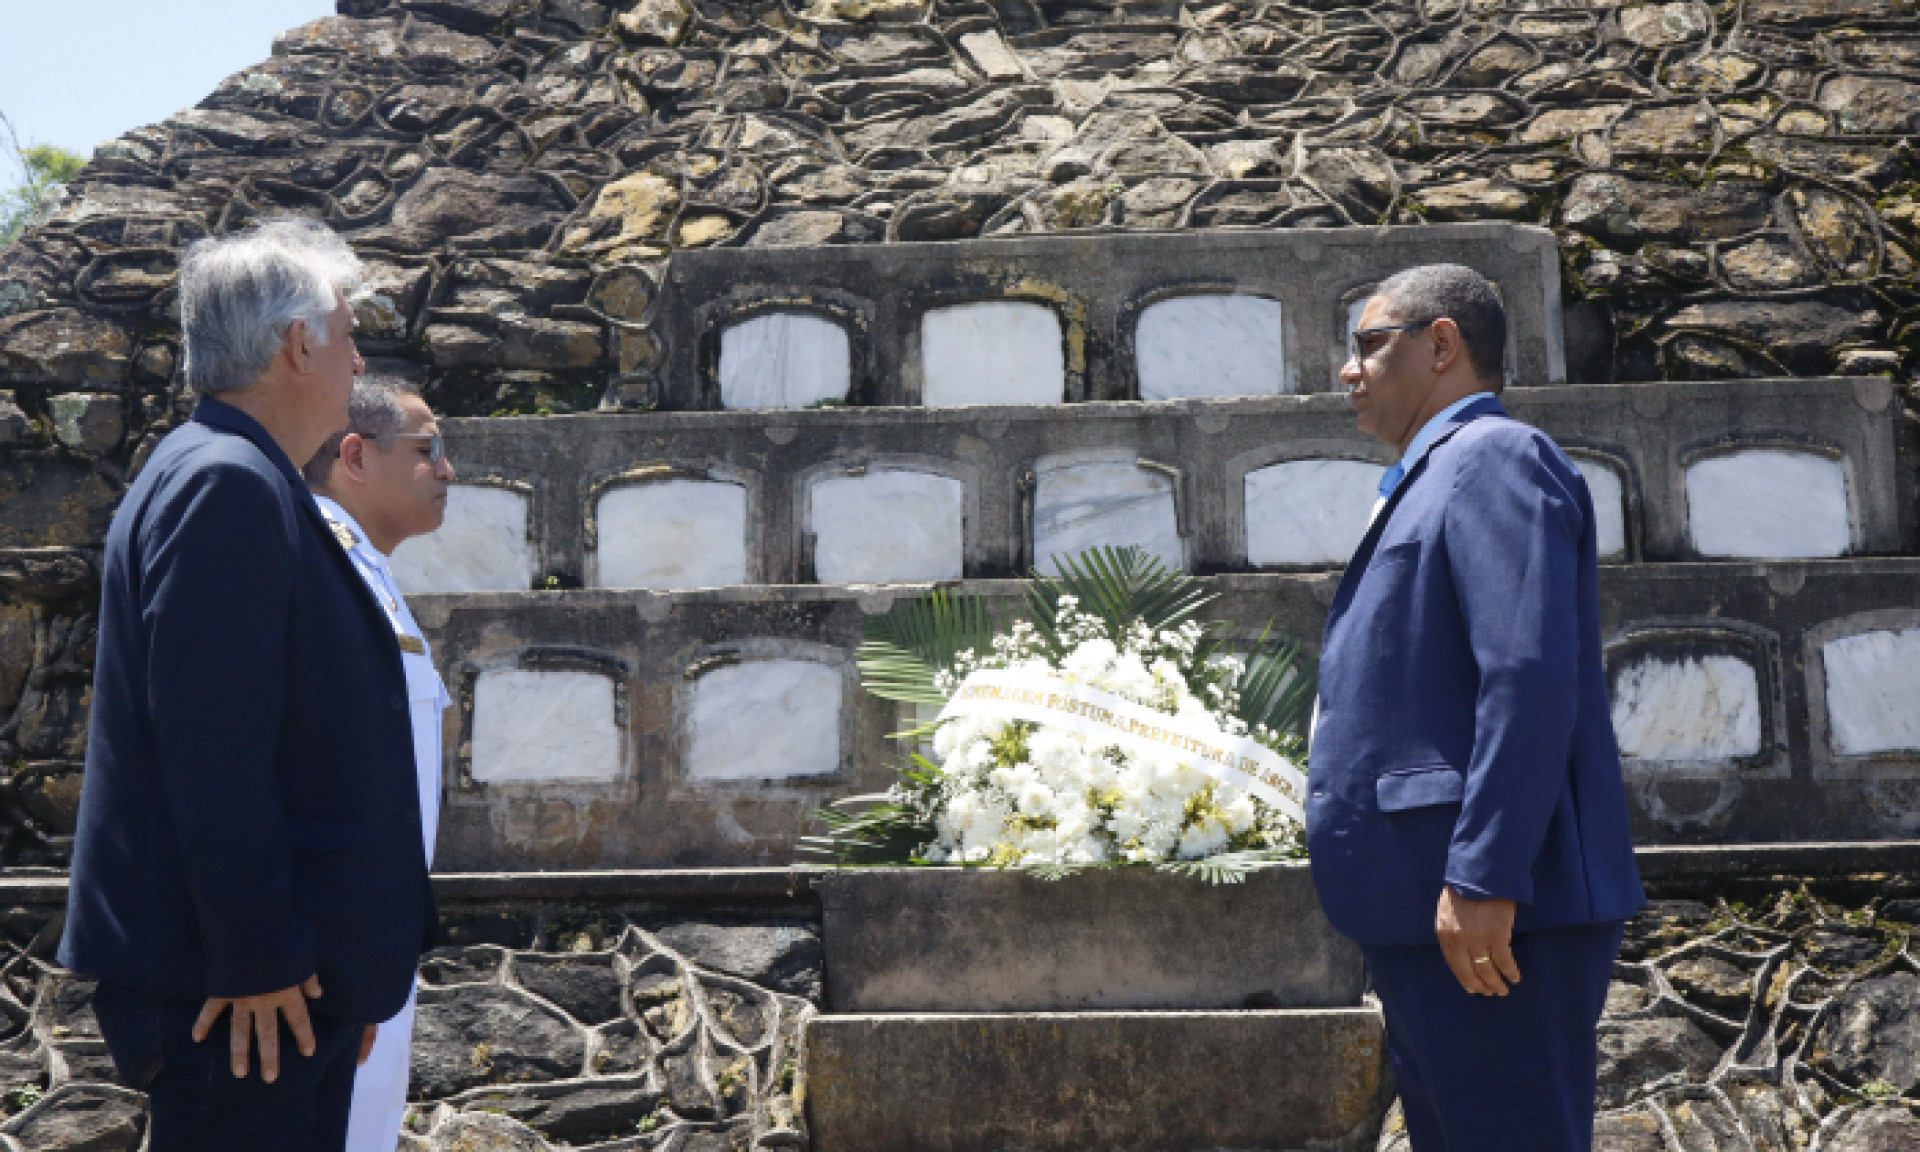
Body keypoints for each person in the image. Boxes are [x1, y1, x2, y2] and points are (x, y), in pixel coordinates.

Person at [59, 219, 434, 1152]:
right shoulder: (225, 482)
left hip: (279, 980)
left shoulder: (239, 472)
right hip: (243, 996)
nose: (358, 362)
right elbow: (213, 744)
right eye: (348, 335)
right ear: (298, 343)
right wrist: (260, 954)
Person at [1307, 264, 1645, 1151]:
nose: (1349, 369)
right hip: (1434, 903)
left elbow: (1526, 673)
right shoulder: (1432, 474)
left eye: (1369, 344)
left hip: (1493, 910)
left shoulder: (1492, 457)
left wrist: (1487, 875)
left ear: (1442, 344)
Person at [301, 377, 455, 1152]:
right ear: (356, 457)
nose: (448, 470)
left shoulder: (367, 569)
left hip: (368, 954)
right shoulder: (323, 564)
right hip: (330, 964)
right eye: (428, 450)